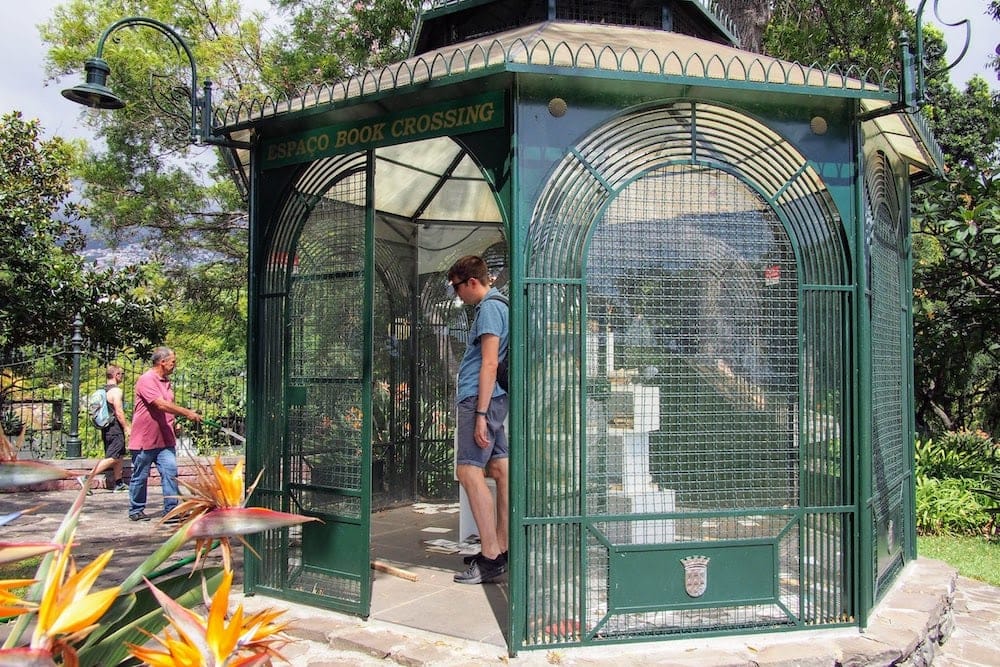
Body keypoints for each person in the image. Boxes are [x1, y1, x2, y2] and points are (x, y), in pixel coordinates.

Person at [448, 255, 509, 584]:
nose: (457, 295)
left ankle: (490, 558)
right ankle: (501, 545)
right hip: (494, 397)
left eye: (457, 287)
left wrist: (481, 415)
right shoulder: (501, 305)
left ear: (472, 282)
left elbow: (488, 363)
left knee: (468, 471)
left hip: (479, 399)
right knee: (501, 468)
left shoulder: (488, 308)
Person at [128, 347, 202, 522]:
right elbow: (159, 404)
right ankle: (136, 509)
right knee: (140, 475)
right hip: (145, 440)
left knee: (170, 472)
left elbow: (168, 406)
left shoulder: (166, 382)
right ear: (162, 362)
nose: (175, 365)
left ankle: (172, 510)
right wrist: (187, 413)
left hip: (165, 439)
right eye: (173, 361)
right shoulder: (146, 380)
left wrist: (174, 423)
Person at [77, 364, 130, 494]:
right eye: (121, 374)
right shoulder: (116, 391)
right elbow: (118, 411)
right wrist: (127, 427)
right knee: (114, 456)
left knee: (119, 455)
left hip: (106, 428)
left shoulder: (104, 390)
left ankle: (119, 483)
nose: (122, 376)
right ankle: (87, 478)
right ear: (116, 375)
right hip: (114, 427)